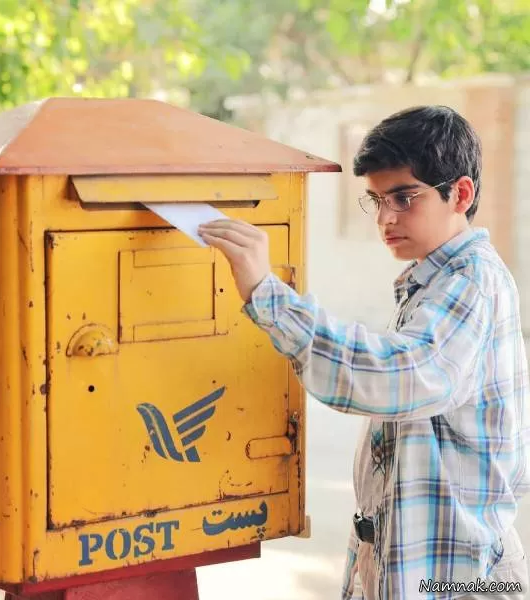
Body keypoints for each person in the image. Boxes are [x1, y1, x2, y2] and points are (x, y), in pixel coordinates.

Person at [198, 105, 530, 599]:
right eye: (375, 200)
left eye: (403, 197)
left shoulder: (471, 284)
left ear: (460, 194)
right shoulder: (432, 283)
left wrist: (267, 296)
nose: (385, 218)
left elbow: (395, 377)